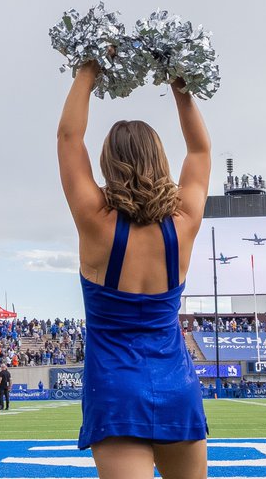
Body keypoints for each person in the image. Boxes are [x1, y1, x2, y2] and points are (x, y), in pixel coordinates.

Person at [58, 66, 211, 479]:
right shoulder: (186, 220)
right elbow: (199, 152)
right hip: (176, 383)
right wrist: (181, 87)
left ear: (108, 163)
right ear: (160, 159)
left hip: (114, 388)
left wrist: (88, 70)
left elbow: (69, 139)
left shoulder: (95, 220)